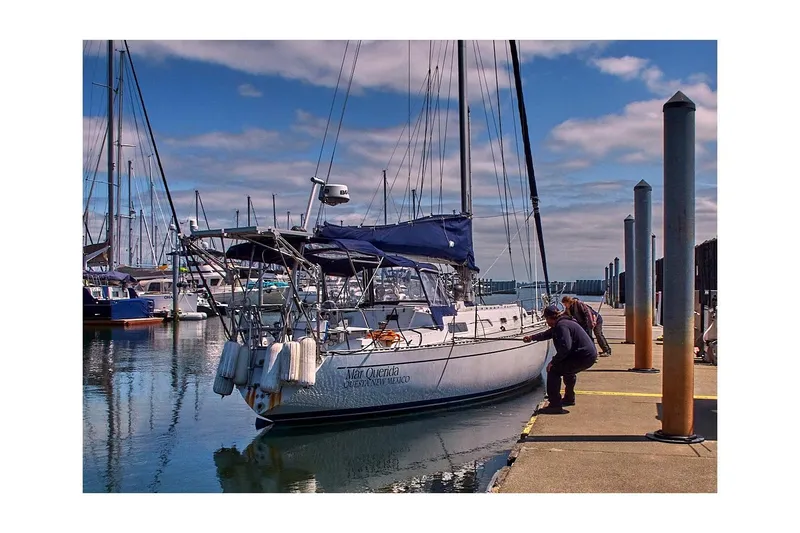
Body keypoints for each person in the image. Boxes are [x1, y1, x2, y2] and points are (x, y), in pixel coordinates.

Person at [523, 305, 598, 414]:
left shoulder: (561, 326)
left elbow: (565, 347)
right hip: (588, 355)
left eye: (546, 319)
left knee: (553, 370)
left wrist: (553, 362)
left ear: (550, 318)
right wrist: (532, 338)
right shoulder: (563, 322)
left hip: (583, 356)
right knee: (567, 369)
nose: (547, 322)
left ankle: (555, 405)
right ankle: (569, 398)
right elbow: (548, 334)